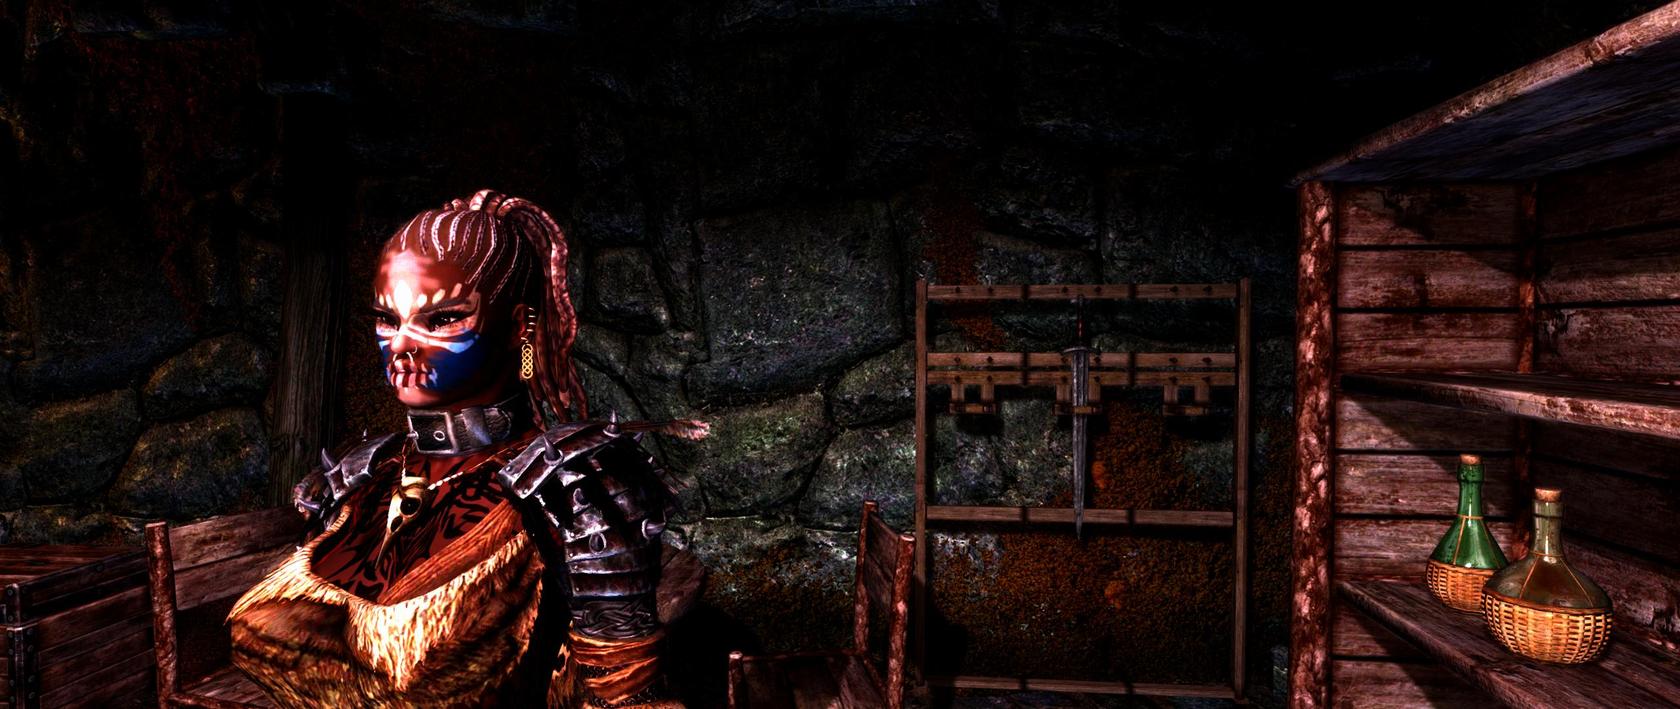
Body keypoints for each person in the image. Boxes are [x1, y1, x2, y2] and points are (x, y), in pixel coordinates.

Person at [228, 189, 700, 708]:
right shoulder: (363, 474)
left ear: (520, 328)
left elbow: (626, 692)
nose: (400, 345)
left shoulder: (573, 485)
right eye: (387, 319)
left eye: (441, 319)